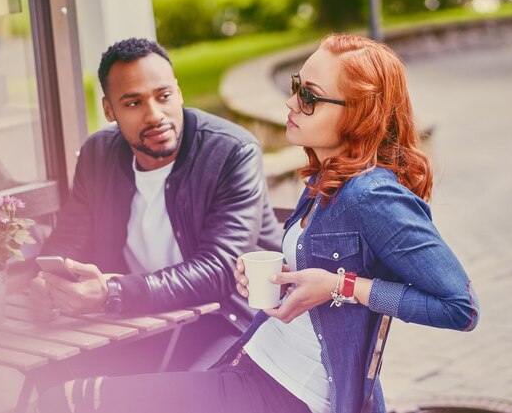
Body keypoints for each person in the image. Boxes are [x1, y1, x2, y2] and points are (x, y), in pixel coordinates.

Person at [36, 33, 479, 413]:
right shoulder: (327, 177)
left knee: (67, 399)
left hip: (285, 391)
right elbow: (317, 279)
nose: (290, 102)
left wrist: (340, 286)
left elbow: (460, 307)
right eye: (295, 86)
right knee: (65, 391)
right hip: (252, 362)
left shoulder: (372, 196)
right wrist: (274, 278)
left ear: (356, 114)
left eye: (309, 96)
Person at [30, 38, 281, 372]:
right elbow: (71, 237)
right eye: (133, 103)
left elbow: (221, 269)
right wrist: (49, 282)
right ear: (109, 110)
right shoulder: (98, 154)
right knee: (55, 382)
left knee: (174, 398)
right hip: (136, 324)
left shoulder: (231, 152)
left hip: (227, 322)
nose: (155, 115)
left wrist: (113, 292)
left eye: (163, 96)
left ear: (178, 92)